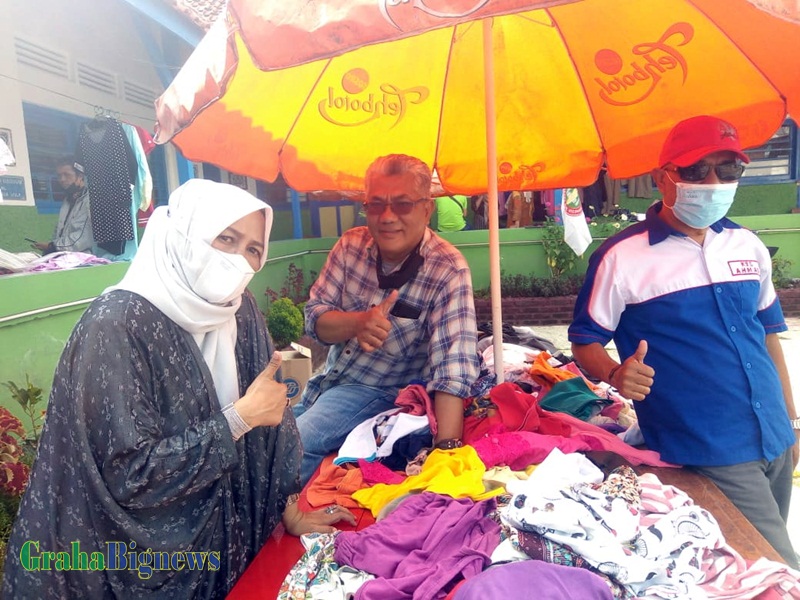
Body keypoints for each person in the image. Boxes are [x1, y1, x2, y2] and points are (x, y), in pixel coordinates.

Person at [3, 179, 354, 599]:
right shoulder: (116, 325)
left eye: (252, 249)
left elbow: (271, 428)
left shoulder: (240, 312)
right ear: (184, 234)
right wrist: (237, 420)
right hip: (123, 559)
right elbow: (130, 475)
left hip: (225, 545)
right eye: (226, 239)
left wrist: (288, 509)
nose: (238, 261)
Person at [568, 115, 798, 569]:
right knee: (778, 569)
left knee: (753, 570)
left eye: (728, 170)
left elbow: (769, 335)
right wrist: (614, 373)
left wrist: (791, 421)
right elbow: (585, 341)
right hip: (707, 446)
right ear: (662, 177)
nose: (713, 183)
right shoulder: (620, 257)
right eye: (696, 170)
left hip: (774, 434)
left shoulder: (746, 245)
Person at [293, 154, 480, 485]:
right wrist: (357, 323)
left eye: (402, 204)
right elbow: (315, 319)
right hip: (325, 384)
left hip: (385, 393)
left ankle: (277, 514)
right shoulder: (350, 246)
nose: (388, 217)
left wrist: (446, 456)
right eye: (376, 205)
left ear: (427, 209)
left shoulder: (448, 270)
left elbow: (452, 371)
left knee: (295, 444)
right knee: (262, 440)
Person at [32, 157, 94, 254]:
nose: (62, 179)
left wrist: (52, 246)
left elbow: (82, 239)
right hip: (64, 255)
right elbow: (58, 231)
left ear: (80, 176)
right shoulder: (68, 200)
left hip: (81, 258)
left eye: (67, 175)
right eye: (59, 175)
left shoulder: (89, 201)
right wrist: (51, 247)